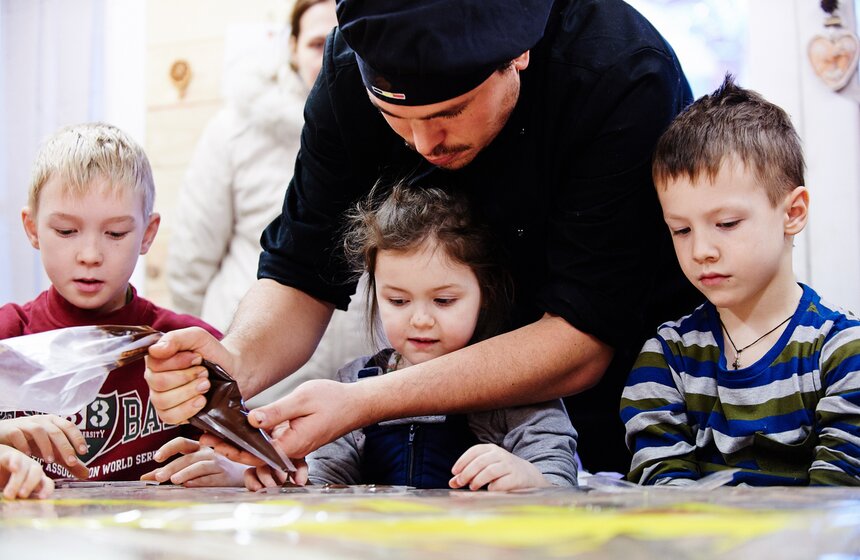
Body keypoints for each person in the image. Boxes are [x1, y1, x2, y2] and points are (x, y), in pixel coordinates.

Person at [146, 0, 701, 474]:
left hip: (632, 417)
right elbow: (301, 271)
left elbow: (584, 338)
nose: (422, 142)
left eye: (450, 112)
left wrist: (365, 401)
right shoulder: (345, 69)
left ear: (519, 54)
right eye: (393, 116)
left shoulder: (620, 71)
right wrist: (234, 365)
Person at [242, 184, 578, 490]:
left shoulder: (515, 384)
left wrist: (529, 480)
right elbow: (325, 483)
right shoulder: (353, 382)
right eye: (398, 301)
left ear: (485, 294)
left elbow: (560, 482)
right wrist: (287, 479)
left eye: (443, 300)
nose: (420, 320)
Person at [621, 76, 860, 486]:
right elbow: (666, 499)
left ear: (793, 213)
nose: (701, 250)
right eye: (681, 230)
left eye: (727, 223)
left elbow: (839, 501)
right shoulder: (665, 359)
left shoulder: (842, 354)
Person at [0, 123, 247, 486]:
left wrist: (235, 472)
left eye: (115, 233)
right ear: (32, 228)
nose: (90, 255)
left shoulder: (187, 345)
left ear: (148, 233)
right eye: (66, 231)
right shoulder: (7, 335)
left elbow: (266, 460)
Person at [166, 0, 370, 403]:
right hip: (260, 385)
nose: (333, 54)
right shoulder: (233, 131)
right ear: (291, 48)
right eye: (318, 44)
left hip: (362, 391)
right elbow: (192, 257)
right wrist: (220, 352)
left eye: (346, 41)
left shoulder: (388, 125)